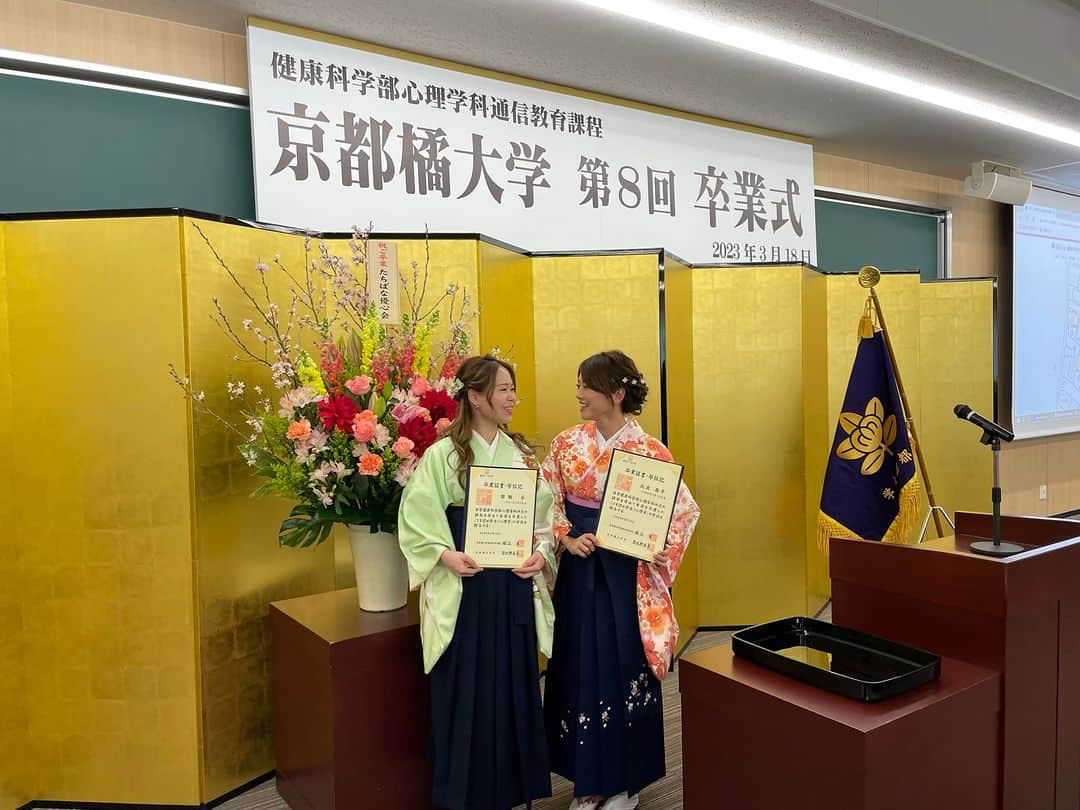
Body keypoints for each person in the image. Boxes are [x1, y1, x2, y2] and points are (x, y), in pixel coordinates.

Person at [540, 350, 700, 810]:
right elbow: (545, 497)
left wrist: (655, 548)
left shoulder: (649, 451)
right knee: (577, 670)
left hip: (628, 578)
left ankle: (625, 785)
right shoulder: (567, 443)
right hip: (580, 572)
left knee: (621, 669)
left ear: (615, 393)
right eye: (577, 384)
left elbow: (684, 511)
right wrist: (566, 537)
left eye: (585, 386)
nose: (578, 394)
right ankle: (588, 784)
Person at [398, 354, 556, 810]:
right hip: (465, 587)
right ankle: (461, 797)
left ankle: (511, 792)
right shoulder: (442, 455)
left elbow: (544, 521)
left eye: (513, 389)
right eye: (503, 390)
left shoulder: (522, 456)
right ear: (474, 397)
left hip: (510, 589)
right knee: (464, 690)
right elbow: (416, 517)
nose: (511, 398)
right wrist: (444, 554)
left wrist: (539, 553)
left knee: (512, 687)